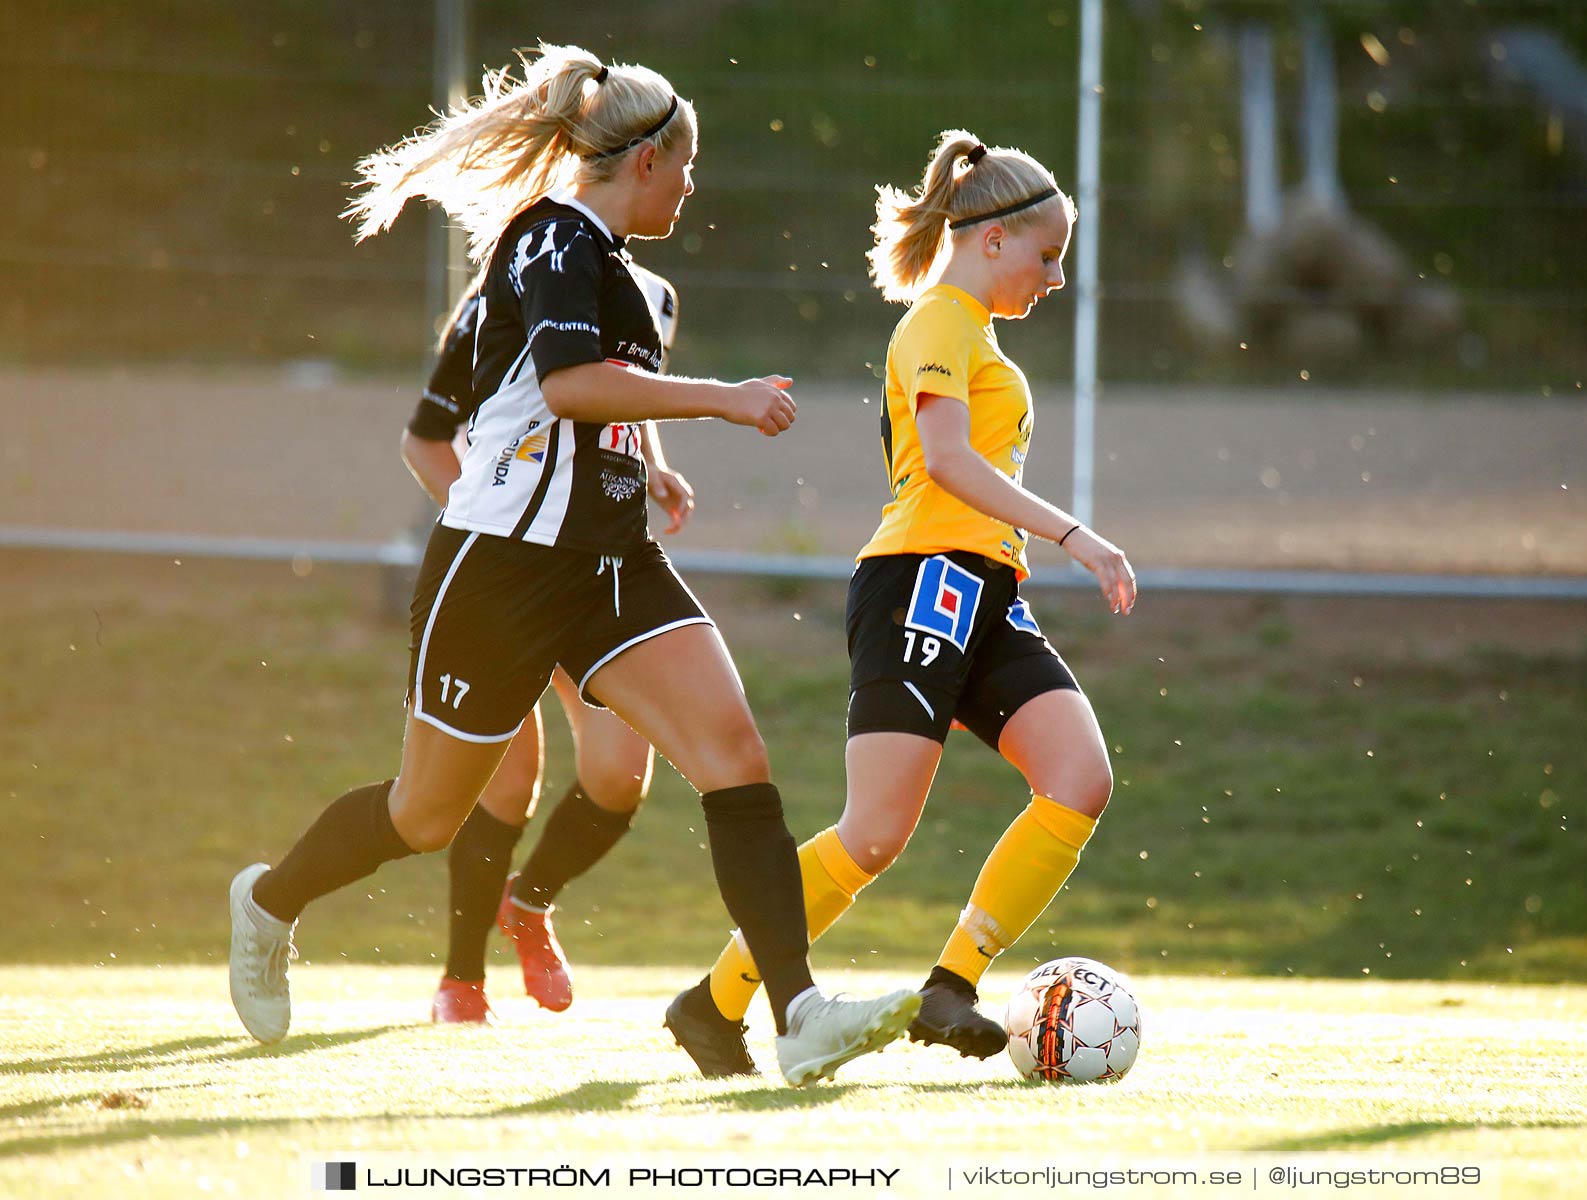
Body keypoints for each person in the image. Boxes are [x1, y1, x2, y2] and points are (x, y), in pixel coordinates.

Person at [227, 44, 919, 1087]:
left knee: (735, 752)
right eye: (687, 165)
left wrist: (647, 468)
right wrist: (722, 397)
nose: (694, 184)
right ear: (645, 162)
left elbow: (594, 410)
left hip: (609, 567)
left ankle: (799, 1011)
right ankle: (268, 903)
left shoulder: (629, 277)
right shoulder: (554, 236)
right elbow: (564, 389)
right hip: (501, 570)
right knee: (424, 816)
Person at [662, 130, 1136, 1077]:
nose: (1052, 278)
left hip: (985, 591)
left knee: (1080, 778)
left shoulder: (977, 332)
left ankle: (951, 984)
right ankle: (714, 1004)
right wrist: (1075, 534)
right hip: (920, 580)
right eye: (1047, 257)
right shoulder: (937, 323)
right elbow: (950, 464)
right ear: (993, 239)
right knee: (872, 835)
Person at [402, 265, 693, 1024]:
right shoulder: (509, 290)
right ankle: (461, 981)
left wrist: (653, 468)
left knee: (621, 774)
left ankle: (529, 905)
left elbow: (622, 388)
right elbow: (425, 443)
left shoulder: (651, 292)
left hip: (594, 572)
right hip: (509, 572)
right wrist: (506, 532)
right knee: (506, 778)